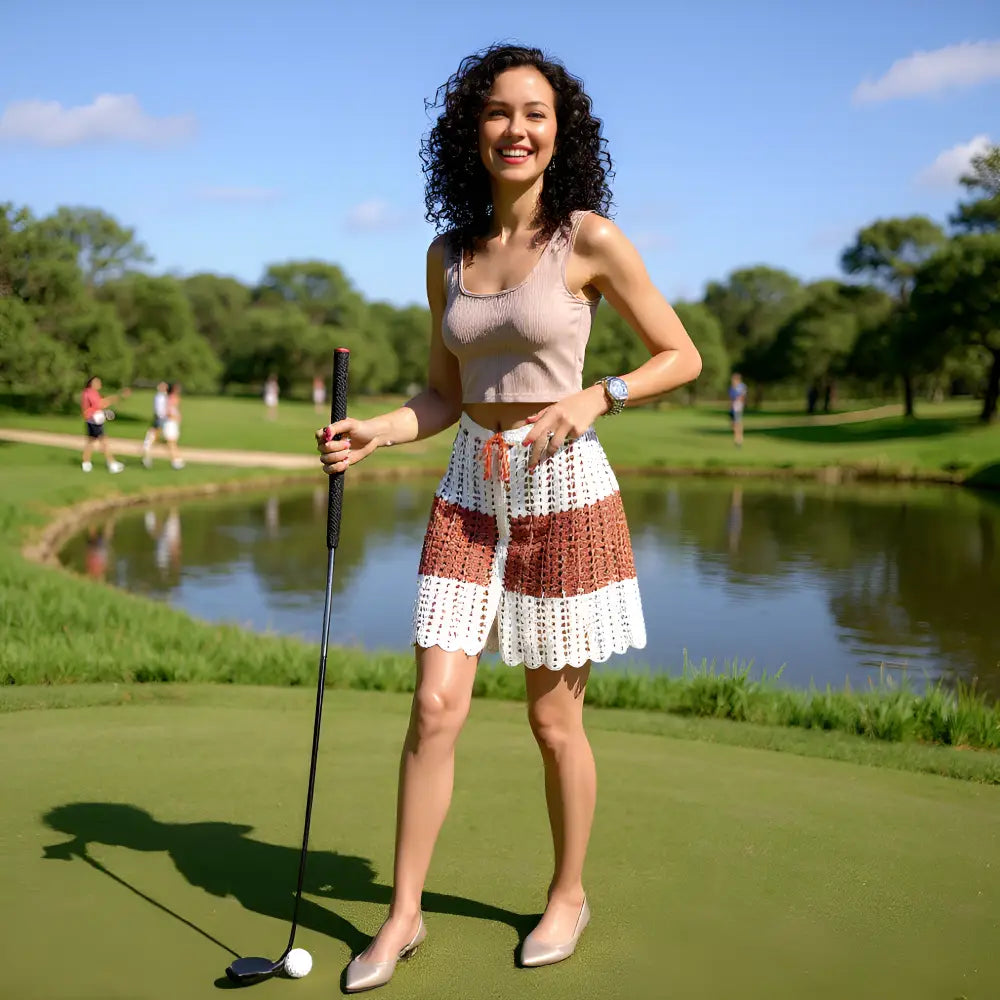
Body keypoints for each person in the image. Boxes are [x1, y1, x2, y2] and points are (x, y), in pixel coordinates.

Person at [316, 44, 701, 992]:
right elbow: (444, 396)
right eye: (497, 112)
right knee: (434, 706)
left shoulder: (590, 240)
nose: (516, 129)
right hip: (467, 489)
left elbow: (680, 356)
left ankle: (568, 893)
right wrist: (378, 432)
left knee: (551, 720)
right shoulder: (448, 253)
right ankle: (402, 915)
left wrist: (593, 399)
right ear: (472, 129)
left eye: (535, 113)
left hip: (563, 490)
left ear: (559, 132)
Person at [80, 375, 128, 473]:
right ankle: (111, 464)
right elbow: (100, 404)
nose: (99, 384)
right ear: (91, 383)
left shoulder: (89, 392)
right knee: (103, 442)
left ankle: (86, 463)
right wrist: (116, 398)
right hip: (94, 420)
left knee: (91, 442)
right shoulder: (90, 393)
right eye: (97, 382)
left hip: (92, 419)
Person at [141, 381, 170, 468]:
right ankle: (148, 456)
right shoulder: (160, 396)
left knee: (156, 437)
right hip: (160, 418)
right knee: (156, 437)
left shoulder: (162, 396)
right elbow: (160, 411)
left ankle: (148, 452)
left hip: (161, 418)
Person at [160, 382, 185, 470]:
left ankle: (176, 460)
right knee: (171, 442)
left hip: (170, 422)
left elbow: (169, 412)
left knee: (170, 442)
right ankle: (177, 459)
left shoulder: (170, 398)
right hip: (171, 422)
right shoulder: (172, 398)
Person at [728, 372, 747, 446]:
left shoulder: (741, 387)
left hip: (738, 407)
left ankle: (738, 439)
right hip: (733, 408)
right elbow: (731, 398)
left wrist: (739, 402)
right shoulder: (732, 388)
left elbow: (742, 396)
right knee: (733, 424)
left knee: (737, 423)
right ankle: (737, 437)